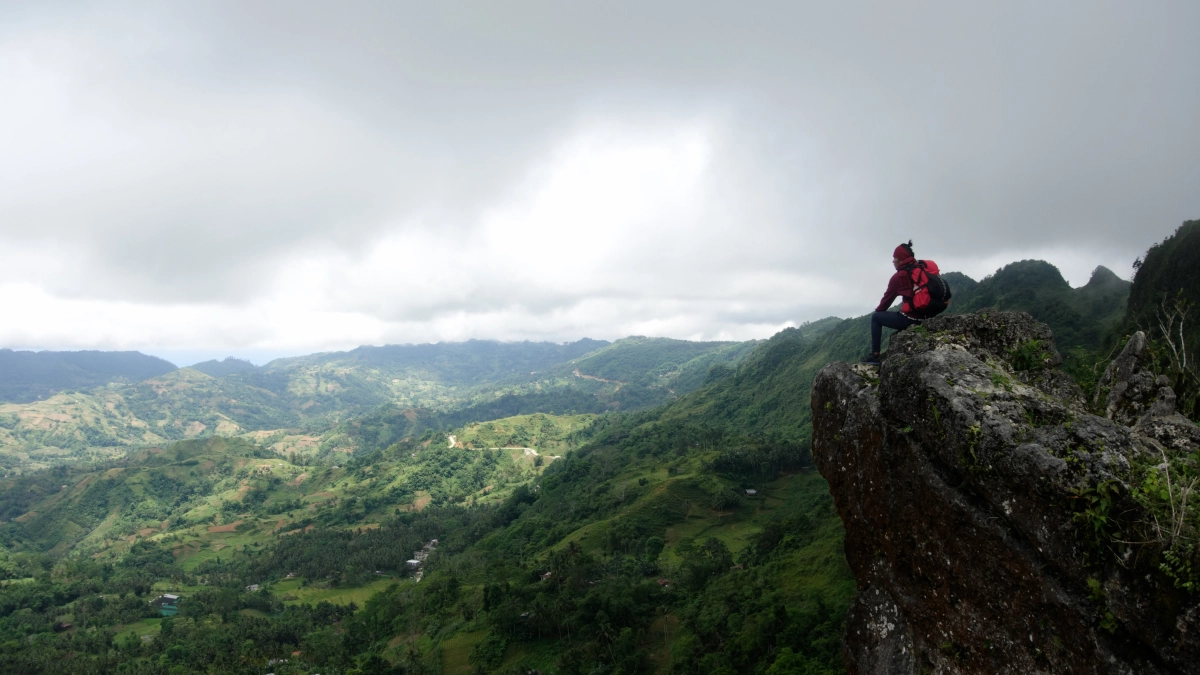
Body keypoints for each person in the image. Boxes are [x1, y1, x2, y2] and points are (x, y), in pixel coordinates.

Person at [862, 241, 921, 365]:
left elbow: (885, 302)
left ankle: (875, 356)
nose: (893, 261)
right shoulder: (920, 270)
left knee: (876, 317)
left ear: (901, 259)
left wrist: (878, 311)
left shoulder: (899, 277)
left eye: (895, 258)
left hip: (911, 319)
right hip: (927, 316)